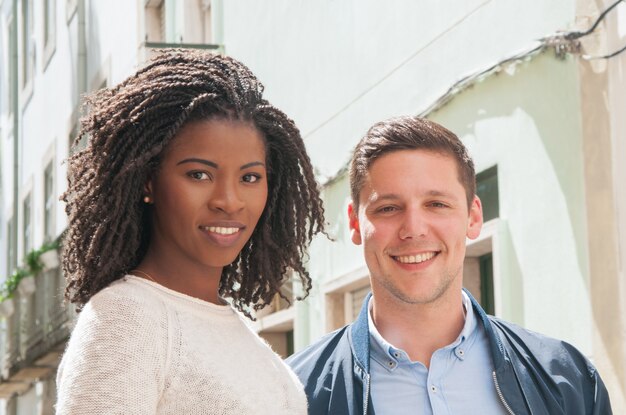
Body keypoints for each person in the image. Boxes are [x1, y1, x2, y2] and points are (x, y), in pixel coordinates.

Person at [56, 49, 325, 414]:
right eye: (199, 174)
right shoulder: (126, 319)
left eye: (250, 177)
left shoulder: (236, 328)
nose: (229, 201)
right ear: (148, 181)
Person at [287, 116, 612, 414]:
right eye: (388, 208)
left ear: (473, 216)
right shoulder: (291, 396)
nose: (413, 228)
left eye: (436, 204)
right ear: (355, 225)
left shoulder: (567, 378)